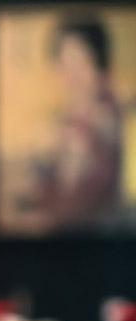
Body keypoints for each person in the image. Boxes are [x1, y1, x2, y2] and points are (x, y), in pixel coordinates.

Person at [30, 17, 122, 231]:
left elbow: (77, 198)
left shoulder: (105, 115)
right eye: (65, 63)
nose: (72, 74)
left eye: (81, 62)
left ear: (99, 62)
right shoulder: (71, 113)